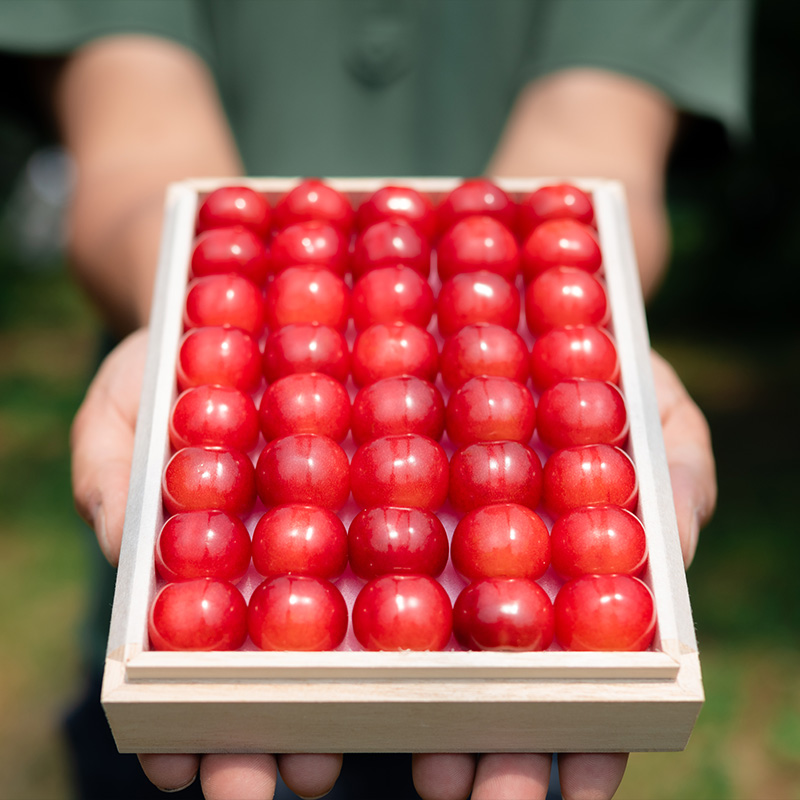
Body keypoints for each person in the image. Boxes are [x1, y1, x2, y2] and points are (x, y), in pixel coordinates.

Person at [0, 2, 749, 798]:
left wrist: (583, 331)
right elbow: (135, 150)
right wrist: (200, 312)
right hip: (194, 635)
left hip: (518, 695)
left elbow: (593, 159)